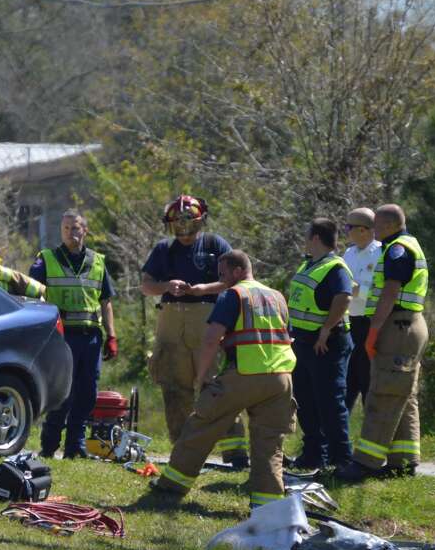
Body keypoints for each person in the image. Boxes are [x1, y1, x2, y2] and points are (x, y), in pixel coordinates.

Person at [142, 250, 297, 509]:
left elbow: (211, 338)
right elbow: (285, 337)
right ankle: (268, 506)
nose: (221, 280)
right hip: (281, 380)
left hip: (245, 374)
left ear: (238, 271)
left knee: (201, 424)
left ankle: (172, 485)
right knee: (269, 444)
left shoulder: (233, 295)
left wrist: (202, 377)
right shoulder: (277, 296)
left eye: (223, 274)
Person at [140, 194, 249, 468]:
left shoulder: (214, 245)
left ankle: (235, 453)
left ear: (200, 220)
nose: (183, 226)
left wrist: (203, 289)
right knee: (174, 388)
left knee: (216, 385)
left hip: (208, 319)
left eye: (188, 220)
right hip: (171, 321)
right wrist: (167, 286)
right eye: (178, 221)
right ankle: (183, 452)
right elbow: (146, 285)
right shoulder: (163, 249)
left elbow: (236, 281)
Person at [335, 204, 429, 483]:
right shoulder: (406, 244)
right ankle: (403, 462)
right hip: (408, 325)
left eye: (376, 226)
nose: (373, 231)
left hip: (398, 326)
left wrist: (373, 330)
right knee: (403, 395)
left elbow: (390, 292)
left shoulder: (397, 250)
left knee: (384, 392)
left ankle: (365, 463)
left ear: (388, 226)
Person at [29, 210, 118, 459]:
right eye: (66, 228)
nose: (71, 233)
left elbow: (106, 302)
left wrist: (112, 336)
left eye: (76, 228)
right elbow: (30, 292)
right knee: (62, 393)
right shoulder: (46, 259)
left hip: (90, 337)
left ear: (85, 231)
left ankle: (75, 447)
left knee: (87, 393)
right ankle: (49, 445)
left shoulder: (98, 261)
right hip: (61, 337)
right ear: (61, 231)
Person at [287, 218, 354, 471]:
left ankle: (342, 459)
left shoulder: (335, 267)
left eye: (307, 234)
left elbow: (344, 297)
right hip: (303, 343)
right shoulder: (309, 264)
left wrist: (326, 329)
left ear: (316, 237)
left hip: (326, 344)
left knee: (330, 402)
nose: (304, 238)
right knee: (305, 400)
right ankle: (314, 455)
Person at [341, 207, 381, 412]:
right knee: (347, 383)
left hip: (370, 324)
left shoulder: (381, 253)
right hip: (350, 324)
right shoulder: (349, 253)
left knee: (368, 381)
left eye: (349, 227)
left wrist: (356, 290)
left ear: (364, 230)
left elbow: (382, 290)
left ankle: (371, 428)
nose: (346, 231)